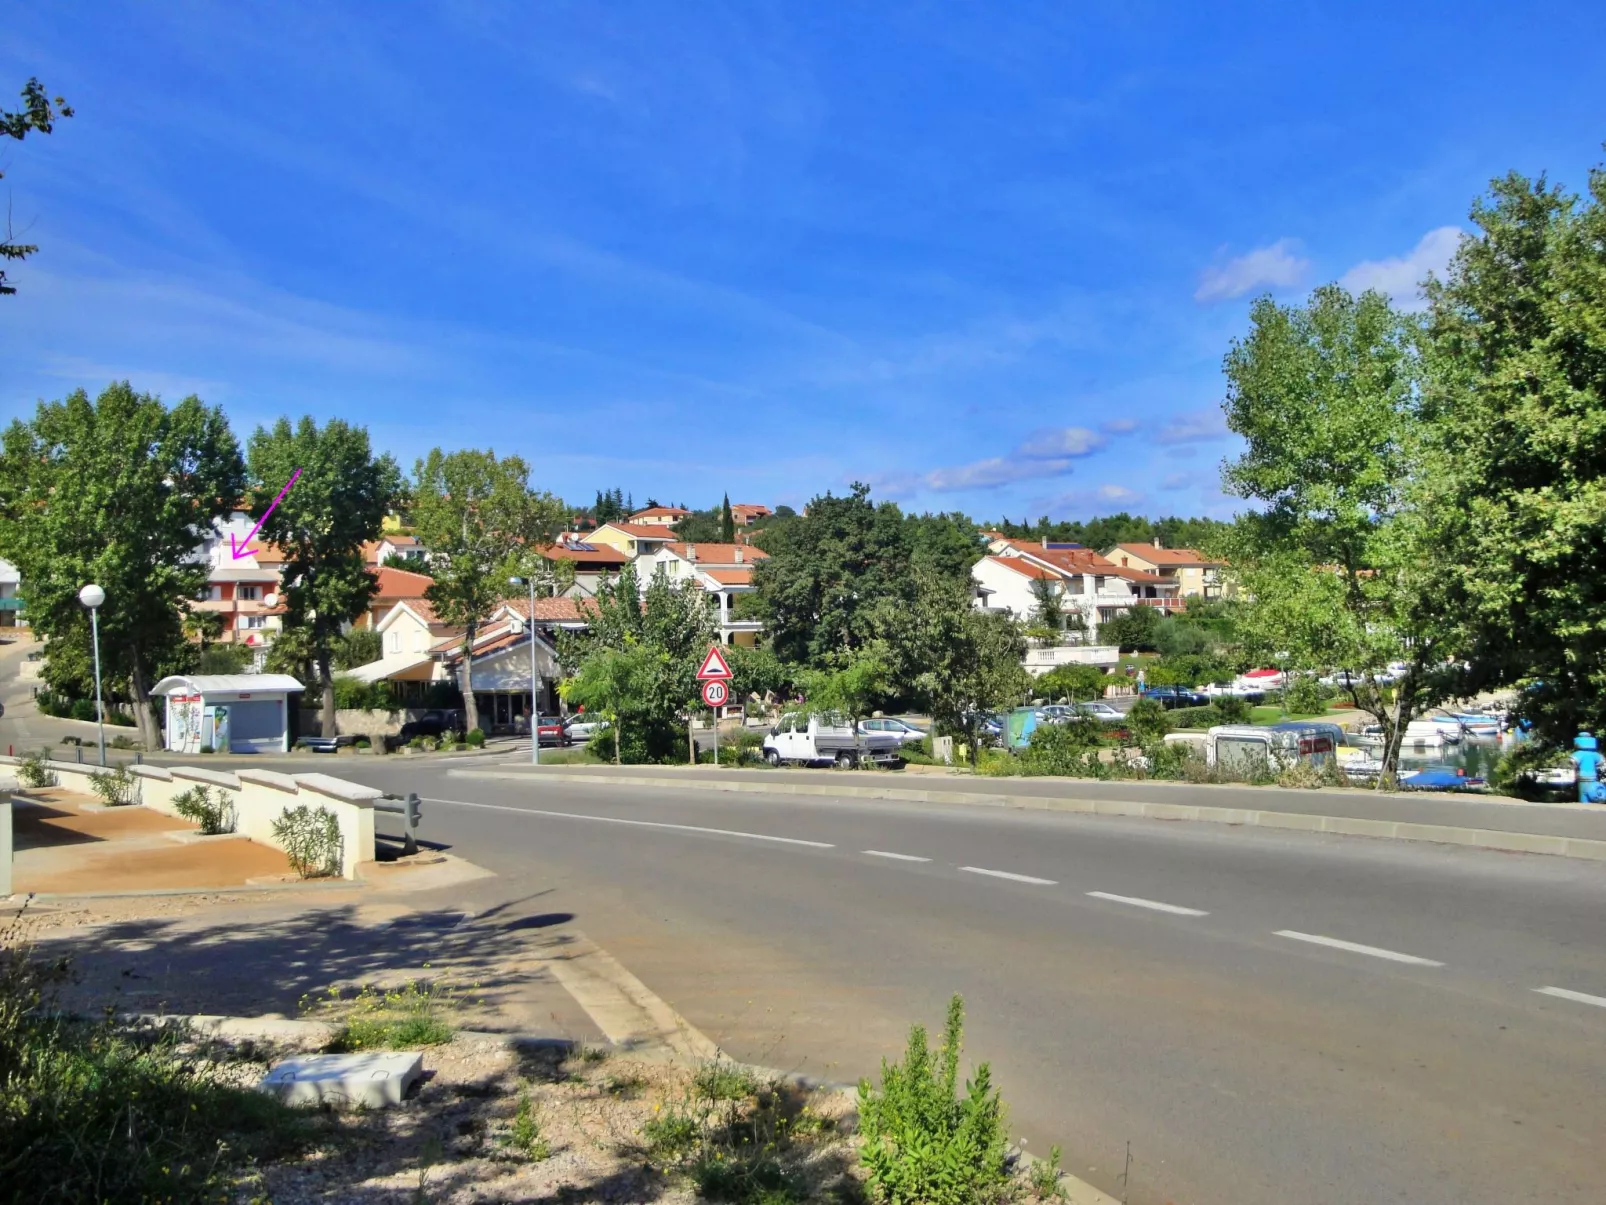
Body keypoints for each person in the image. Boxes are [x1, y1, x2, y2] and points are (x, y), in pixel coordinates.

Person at [1573, 732, 1605, 804]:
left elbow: (1573, 762)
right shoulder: (1595, 755)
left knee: (1584, 796)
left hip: (1582, 777)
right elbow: (1601, 762)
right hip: (1593, 778)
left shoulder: (1578, 754)